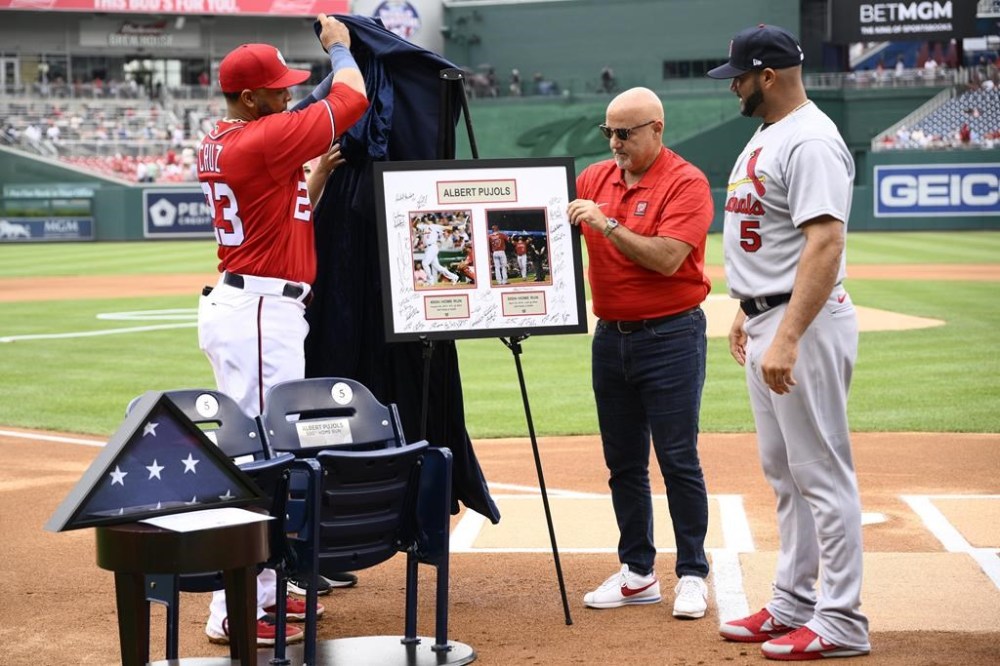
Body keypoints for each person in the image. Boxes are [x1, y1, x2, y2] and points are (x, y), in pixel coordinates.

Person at [196, 13, 369, 646]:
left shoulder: (229, 138)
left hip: (252, 305)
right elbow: (352, 97)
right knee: (262, 458)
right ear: (247, 97)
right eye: (276, 88)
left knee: (256, 453)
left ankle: (256, 594)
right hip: (261, 311)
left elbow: (280, 214)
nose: (290, 92)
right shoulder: (260, 140)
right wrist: (341, 51)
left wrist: (314, 177)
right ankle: (240, 606)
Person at [706, 24, 871, 661]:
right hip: (769, 315)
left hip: (804, 325)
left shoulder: (811, 139)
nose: (735, 89)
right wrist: (751, 310)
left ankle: (842, 620)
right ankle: (793, 604)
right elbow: (769, 233)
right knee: (785, 474)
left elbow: (825, 241)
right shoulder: (770, 132)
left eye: (740, 78)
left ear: (767, 75)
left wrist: (790, 331)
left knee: (822, 475)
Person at [566, 86, 713, 620]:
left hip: (671, 336)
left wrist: (606, 224)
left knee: (678, 458)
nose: (615, 143)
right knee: (623, 462)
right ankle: (637, 572)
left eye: (625, 133)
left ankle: (693, 572)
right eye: (608, 132)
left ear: (657, 128)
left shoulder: (686, 182)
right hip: (612, 337)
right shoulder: (593, 179)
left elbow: (669, 259)